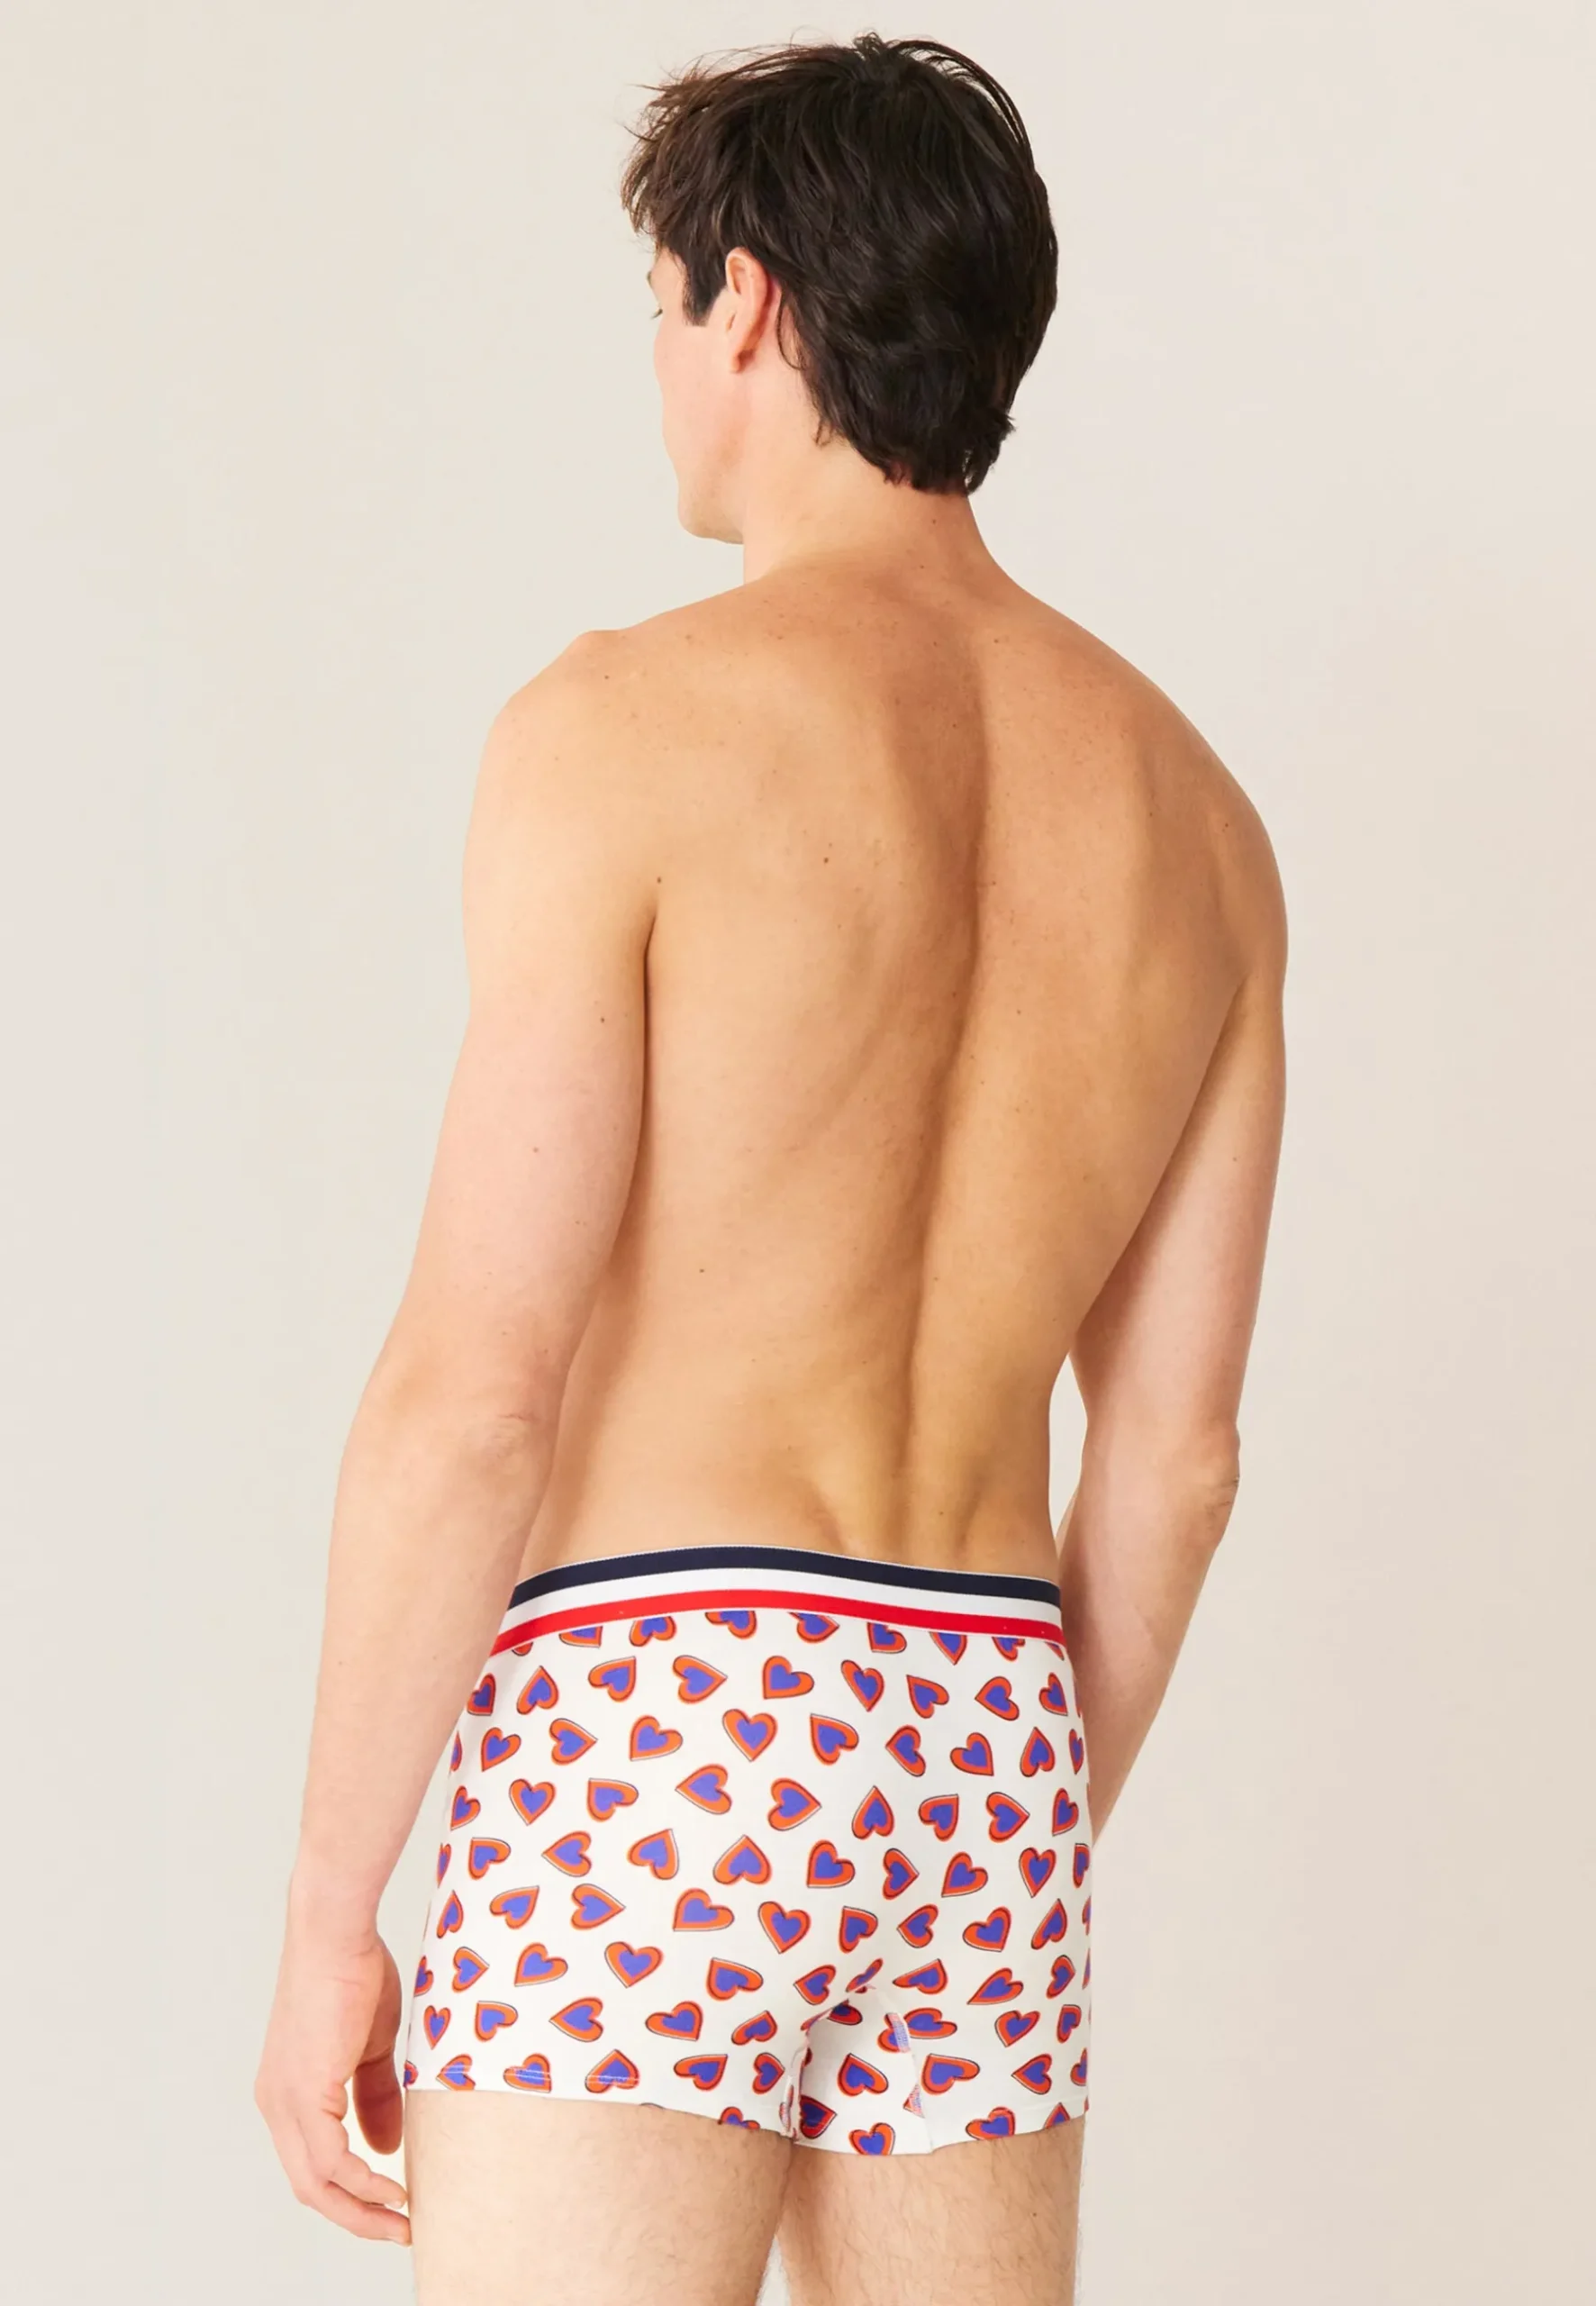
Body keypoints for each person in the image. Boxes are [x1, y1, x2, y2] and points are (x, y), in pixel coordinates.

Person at [255, 32, 1286, 2304]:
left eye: (659, 305)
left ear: (748, 304)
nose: (656, 367)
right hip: (989, 1714)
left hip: (659, 1694)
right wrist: (997, 1819)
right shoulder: (1200, 823)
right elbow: (1176, 1463)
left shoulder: (621, 724)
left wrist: (333, 1906)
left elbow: (476, 1390)